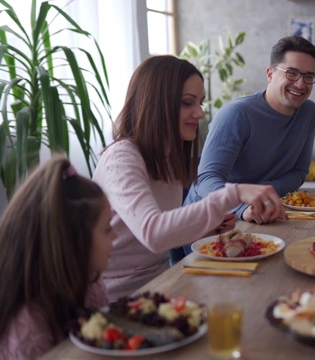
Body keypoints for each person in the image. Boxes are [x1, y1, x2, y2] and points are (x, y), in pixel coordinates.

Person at [92, 55, 285, 301]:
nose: (200, 113)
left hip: (162, 284)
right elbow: (154, 234)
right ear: (155, 103)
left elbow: (166, 234)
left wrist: (207, 227)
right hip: (116, 298)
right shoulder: (122, 158)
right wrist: (233, 193)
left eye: (200, 103)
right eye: (187, 103)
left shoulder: (168, 158)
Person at [0, 156, 114, 359]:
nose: (116, 235)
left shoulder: (91, 286)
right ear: (74, 241)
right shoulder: (28, 332)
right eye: (107, 229)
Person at [183, 36, 315, 225]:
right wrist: (243, 205)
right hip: (209, 221)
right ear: (270, 74)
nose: (300, 84)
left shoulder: (309, 112)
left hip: (263, 214)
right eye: (291, 73)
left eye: (308, 76)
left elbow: (299, 171)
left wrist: (262, 194)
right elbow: (206, 179)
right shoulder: (236, 114)